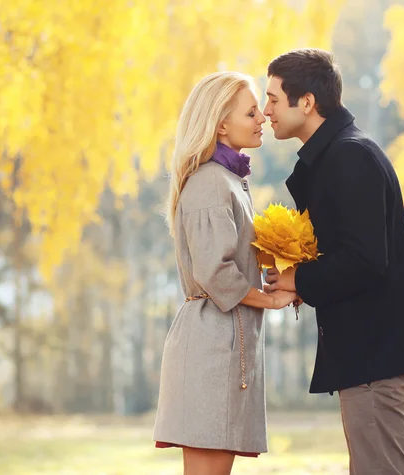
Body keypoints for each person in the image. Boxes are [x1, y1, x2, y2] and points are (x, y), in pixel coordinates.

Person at [263, 49, 404, 475]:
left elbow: (365, 259)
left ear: (306, 102)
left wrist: (298, 279)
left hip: (376, 355)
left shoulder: (350, 157)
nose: (266, 112)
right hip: (369, 354)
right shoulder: (336, 156)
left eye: (272, 99)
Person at [153, 71, 298, 475]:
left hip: (224, 346)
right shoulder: (211, 183)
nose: (262, 119)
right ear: (220, 124)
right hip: (210, 351)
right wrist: (269, 299)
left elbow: (239, 260)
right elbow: (216, 273)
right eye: (251, 112)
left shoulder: (231, 180)